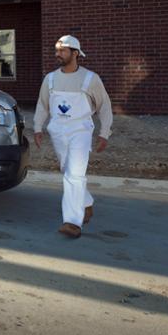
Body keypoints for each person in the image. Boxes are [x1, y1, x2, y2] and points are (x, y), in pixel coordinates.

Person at [34, 35, 113, 239]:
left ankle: (72, 222)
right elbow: (43, 106)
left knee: (74, 175)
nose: (57, 54)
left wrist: (104, 132)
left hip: (81, 131)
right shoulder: (50, 79)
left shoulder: (90, 79)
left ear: (75, 53)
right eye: (56, 50)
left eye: (62, 50)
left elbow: (104, 107)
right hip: (57, 131)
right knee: (67, 171)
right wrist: (37, 128)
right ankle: (85, 203)